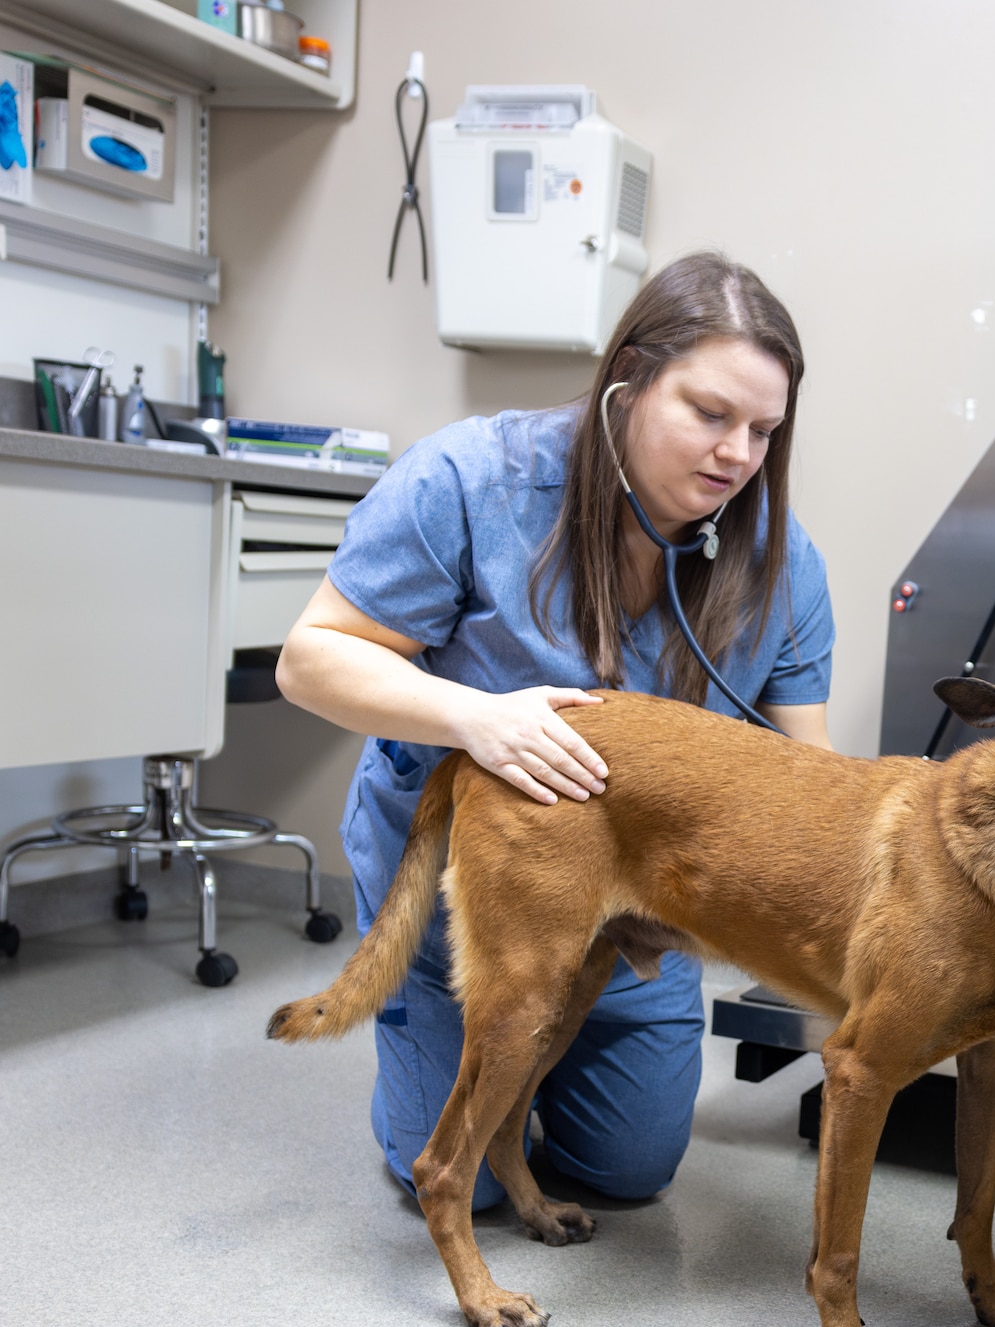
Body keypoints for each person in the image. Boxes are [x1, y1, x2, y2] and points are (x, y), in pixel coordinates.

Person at [278, 252, 835, 1211]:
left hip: (641, 893)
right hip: (467, 887)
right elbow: (311, 658)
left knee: (631, 1170)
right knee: (462, 1177)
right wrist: (475, 718)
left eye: (764, 430)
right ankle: (433, 1052)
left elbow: (811, 778)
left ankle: (540, 1065)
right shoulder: (471, 481)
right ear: (627, 385)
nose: (739, 455)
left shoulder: (781, 566)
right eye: (709, 413)